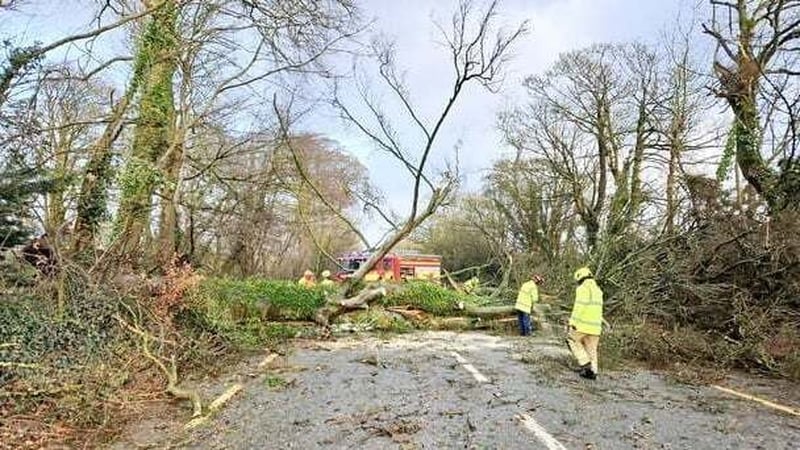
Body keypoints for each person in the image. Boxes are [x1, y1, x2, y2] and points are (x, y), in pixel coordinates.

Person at [567, 267, 604, 380]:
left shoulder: (582, 288)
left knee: (571, 339)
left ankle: (584, 363)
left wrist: (572, 322)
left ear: (579, 278)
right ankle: (593, 372)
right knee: (591, 349)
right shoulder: (598, 290)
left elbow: (579, 307)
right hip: (596, 327)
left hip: (582, 325)